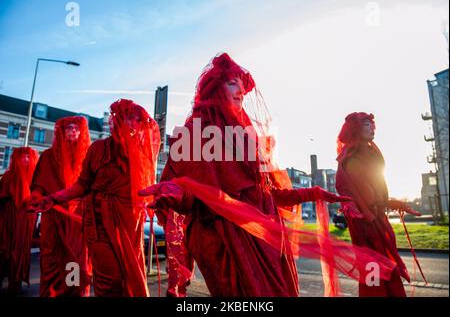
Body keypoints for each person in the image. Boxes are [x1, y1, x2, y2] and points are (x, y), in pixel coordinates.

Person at [139, 53, 397, 297]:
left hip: (265, 239)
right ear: (216, 89)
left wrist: (313, 193)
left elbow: (267, 194)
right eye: (232, 84)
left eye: (241, 86)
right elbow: (190, 195)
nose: (240, 91)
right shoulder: (194, 133)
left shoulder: (247, 136)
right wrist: (176, 193)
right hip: (222, 243)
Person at [29, 99, 160, 297]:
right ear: (116, 122)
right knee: (109, 278)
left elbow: (146, 190)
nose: (133, 124)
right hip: (99, 223)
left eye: (137, 120)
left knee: (128, 277)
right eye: (128, 119)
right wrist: (54, 198)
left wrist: (163, 200)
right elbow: (82, 185)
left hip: (130, 225)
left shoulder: (141, 154)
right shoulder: (98, 149)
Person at [335, 112, 422, 297]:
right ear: (356, 129)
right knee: (374, 273)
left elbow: (376, 193)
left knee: (386, 271)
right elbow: (346, 190)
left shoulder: (371, 153)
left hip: (378, 222)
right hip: (366, 227)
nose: (373, 127)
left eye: (372, 124)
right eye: (367, 124)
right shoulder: (351, 157)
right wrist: (356, 210)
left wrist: (396, 204)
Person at [30, 116, 91, 297]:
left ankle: (75, 293)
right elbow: (38, 184)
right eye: (69, 128)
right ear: (62, 132)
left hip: (78, 219)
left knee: (77, 261)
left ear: (81, 132)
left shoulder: (87, 156)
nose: (73, 131)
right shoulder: (49, 156)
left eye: (76, 128)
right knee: (52, 259)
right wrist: (37, 195)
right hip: (54, 217)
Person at [0, 147, 39, 294]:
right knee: (5, 249)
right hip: (8, 219)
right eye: (23, 157)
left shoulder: (35, 178)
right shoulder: (9, 176)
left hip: (25, 220)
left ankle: (14, 283)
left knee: (20, 250)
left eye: (29, 157)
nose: (26, 160)